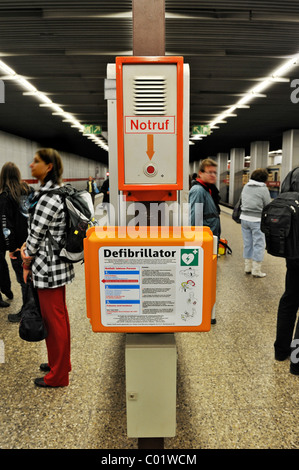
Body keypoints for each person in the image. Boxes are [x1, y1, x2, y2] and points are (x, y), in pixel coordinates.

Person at [21, 148, 75, 388]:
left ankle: (59, 375)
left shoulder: (48, 197)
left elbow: (35, 235)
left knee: (54, 320)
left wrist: (25, 259)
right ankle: (59, 363)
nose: (31, 165)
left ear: (49, 166)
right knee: (57, 318)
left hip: (48, 268)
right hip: (55, 265)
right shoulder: (53, 192)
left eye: (36, 161)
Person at [0, 162, 33, 321]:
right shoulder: (28, 191)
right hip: (32, 243)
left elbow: (6, 226)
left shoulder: (6, 197)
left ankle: (27, 312)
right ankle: (35, 309)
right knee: (33, 278)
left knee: (24, 280)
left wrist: (11, 248)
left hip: (19, 248)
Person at [274, 167, 299, 376]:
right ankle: (297, 362)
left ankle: (281, 351)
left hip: (292, 251)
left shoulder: (292, 174)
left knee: (289, 299)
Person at [239, 168, 271, 277]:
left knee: (247, 243)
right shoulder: (263, 189)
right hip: (257, 220)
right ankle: (256, 270)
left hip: (244, 219)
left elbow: (242, 200)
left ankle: (247, 267)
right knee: (259, 244)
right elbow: (267, 205)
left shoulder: (246, 187)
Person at [188, 158, 221, 240]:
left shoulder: (208, 189)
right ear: (200, 173)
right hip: (203, 239)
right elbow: (195, 218)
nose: (213, 175)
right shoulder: (198, 190)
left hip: (210, 235)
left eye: (214, 172)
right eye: (210, 172)